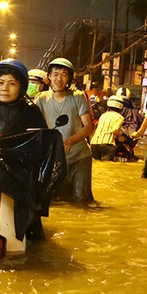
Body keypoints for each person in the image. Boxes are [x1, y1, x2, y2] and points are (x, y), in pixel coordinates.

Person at [34, 57, 96, 204]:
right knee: (55, 202)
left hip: (79, 156)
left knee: (81, 200)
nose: (59, 79)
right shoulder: (41, 99)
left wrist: (70, 140)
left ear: (69, 78)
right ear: (49, 77)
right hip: (54, 159)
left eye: (63, 74)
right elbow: (34, 126)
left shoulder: (77, 96)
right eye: (55, 74)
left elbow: (88, 126)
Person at [89, 96, 125, 161]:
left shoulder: (103, 115)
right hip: (107, 143)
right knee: (107, 165)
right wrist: (120, 136)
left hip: (94, 143)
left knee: (97, 164)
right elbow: (115, 130)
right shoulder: (120, 117)